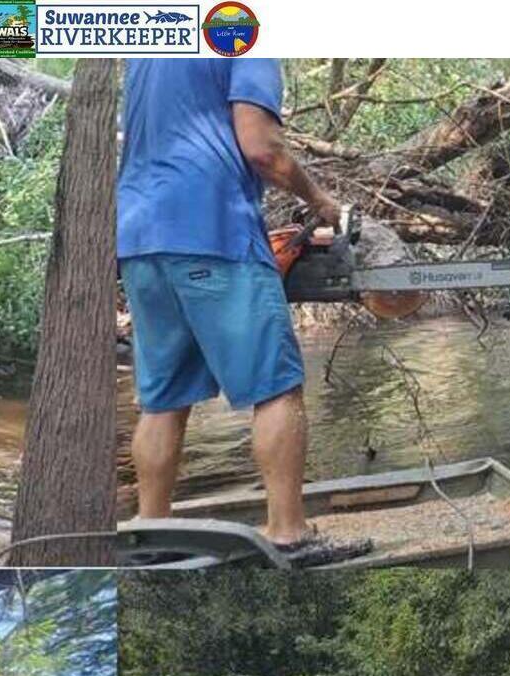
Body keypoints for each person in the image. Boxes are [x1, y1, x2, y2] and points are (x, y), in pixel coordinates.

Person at [116, 58, 370, 567]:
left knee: (162, 399)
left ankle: (153, 534)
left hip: (141, 236)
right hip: (212, 230)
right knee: (277, 387)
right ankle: (288, 535)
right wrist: (321, 201)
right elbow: (262, 148)